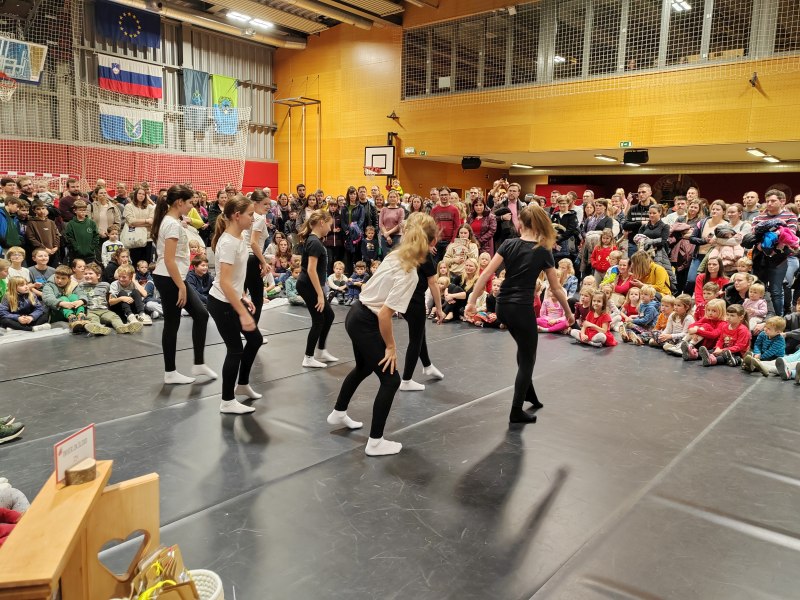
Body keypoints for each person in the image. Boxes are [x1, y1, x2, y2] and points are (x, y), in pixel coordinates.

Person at [328, 214, 439, 456]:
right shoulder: (409, 274)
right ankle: (375, 442)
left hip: (356, 314)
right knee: (391, 381)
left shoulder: (395, 255)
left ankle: (338, 412)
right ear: (431, 244)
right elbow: (385, 315)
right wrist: (390, 347)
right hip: (367, 321)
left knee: (363, 368)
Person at [466, 205, 574, 424]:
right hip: (521, 309)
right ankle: (516, 411)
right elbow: (555, 288)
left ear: (520, 224)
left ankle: (529, 393)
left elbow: (486, 273)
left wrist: (471, 301)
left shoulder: (508, 243)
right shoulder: (543, 250)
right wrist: (569, 313)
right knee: (528, 359)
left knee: (524, 350)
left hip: (502, 306)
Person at [151, 185, 216, 385]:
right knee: (174, 323)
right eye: (189, 202)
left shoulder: (171, 221)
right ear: (179, 202)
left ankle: (198, 363)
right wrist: (181, 286)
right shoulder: (171, 224)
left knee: (199, 315)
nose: (191, 206)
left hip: (171, 276)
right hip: (170, 277)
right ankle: (171, 372)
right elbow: (169, 259)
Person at [207, 194, 263, 415]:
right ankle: (227, 401)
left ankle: (242, 384)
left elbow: (235, 277)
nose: (253, 218)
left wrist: (243, 296)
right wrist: (243, 313)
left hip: (232, 298)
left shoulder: (239, 237)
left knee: (255, 340)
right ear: (237, 216)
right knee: (235, 350)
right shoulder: (229, 242)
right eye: (250, 214)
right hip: (222, 303)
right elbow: (224, 282)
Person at [400, 214, 445, 392]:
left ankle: (427, 365)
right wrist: (439, 308)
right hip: (415, 301)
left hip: (403, 299)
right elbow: (433, 283)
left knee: (419, 332)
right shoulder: (423, 253)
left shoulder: (405, 248)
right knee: (415, 339)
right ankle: (406, 380)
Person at [296, 209, 338, 368]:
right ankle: (308, 357)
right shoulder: (314, 242)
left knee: (329, 315)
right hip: (308, 285)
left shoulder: (315, 240)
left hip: (310, 284)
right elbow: (311, 270)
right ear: (322, 222)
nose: (330, 228)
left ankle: (321, 350)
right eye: (329, 225)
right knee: (319, 320)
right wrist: (320, 294)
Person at [242, 189, 271, 328]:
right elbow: (254, 243)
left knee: (241, 295)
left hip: (243, 257)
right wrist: (263, 262)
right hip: (251, 259)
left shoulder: (247, 217)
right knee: (257, 298)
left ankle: (241, 327)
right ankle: (252, 330)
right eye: (265, 204)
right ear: (255, 203)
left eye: (269, 204)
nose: (268, 207)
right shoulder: (259, 219)